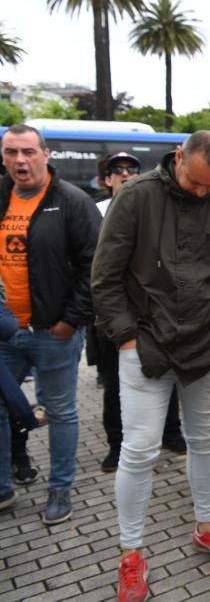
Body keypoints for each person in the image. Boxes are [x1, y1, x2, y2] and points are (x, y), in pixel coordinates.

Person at [92, 130, 210, 602]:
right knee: (138, 449)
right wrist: (124, 337)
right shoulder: (136, 197)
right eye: (197, 181)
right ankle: (131, 553)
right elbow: (104, 276)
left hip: (208, 344)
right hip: (145, 347)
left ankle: (206, 525)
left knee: (205, 441)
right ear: (179, 157)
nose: (204, 192)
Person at [0, 124, 101, 523]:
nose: (19, 161)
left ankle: (59, 487)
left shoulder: (72, 201)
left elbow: (96, 265)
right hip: (6, 332)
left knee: (60, 411)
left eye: (27, 152)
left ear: (45, 154)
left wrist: (70, 320)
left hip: (53, 332)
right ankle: (3, 489)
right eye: (11, 153)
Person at [93, 152, 186, 473]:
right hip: (114, 315)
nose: (125, 174)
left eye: (131, 168)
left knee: (167, 374)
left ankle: (171, 432)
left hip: (155, 315)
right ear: (106, 179)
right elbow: (98, 270)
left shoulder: (152, 206)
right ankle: (116, 445)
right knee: (113, 384)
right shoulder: (96, 212)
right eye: (116, 170)